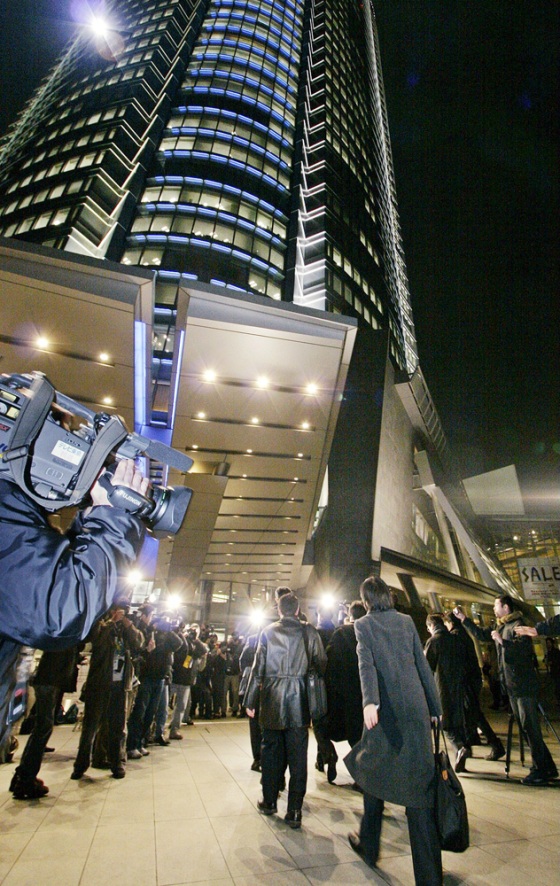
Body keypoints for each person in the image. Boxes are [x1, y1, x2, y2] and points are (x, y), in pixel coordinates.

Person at [0, 458, 148, 770]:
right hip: (64, 681)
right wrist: (114, 518)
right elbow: (64, 612)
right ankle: (47, 772)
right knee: (48, 727)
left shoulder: (12, 512)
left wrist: (90, 519)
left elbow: (53, 583)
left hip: (105, 682)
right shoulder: (7, 509)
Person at [345, 577, 443, 884]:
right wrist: (435, 707)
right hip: (414, 709)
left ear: (367, 600)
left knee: (373, 772)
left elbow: (367, 665)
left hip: (384, 713)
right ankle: (428, 877)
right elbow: (421, 665)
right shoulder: (405, 622)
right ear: (388, 595)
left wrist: (370, 701)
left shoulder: (363, 625)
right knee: (418, 790)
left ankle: (370, 846)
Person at [455, 597, 558, 786]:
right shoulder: (501, 626)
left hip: (523, 686)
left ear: (505, 607)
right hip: (513, 687)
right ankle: (547, 766)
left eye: (496, 605)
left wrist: (503, 642)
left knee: (530, 728)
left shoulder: (517, 626)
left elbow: (521, 652)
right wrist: (464, 619)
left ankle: (541, 769)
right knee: (527, 728)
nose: (494, 609)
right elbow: (482, 634)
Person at [245, 591, 326, 829]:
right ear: (298, 610)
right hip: (299, 701)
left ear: (279, 610)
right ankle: (294, 811)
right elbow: (321, 662)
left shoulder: (268, 632)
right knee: (298, 757)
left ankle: (269, 801)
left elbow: (257, 668)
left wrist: (250, 701)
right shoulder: (309, 631)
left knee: (270, 753)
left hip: (271, 700)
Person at [72, 601, 144, 780]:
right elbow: (94, 640)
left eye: (124, 612)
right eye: (119, 610)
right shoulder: (101, 625)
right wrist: (111, 622)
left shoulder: (126, 630)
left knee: (118, 727)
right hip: (99, 684)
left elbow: (139, 643)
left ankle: (117, 763)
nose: (122, 614)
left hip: (120, 686)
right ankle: (80, 766)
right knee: (90, 728)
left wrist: (129, 625)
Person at [9, 645, 81, 799]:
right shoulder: (65, 632)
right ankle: (25, 780)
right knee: (43, 729)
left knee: (41, 729)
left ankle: (22, 775)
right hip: (49, 680)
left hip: (49, 680)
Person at [443, 611, 505, 761]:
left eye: (446, 623)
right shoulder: (464, 635)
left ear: (450, 623)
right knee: (472, 713)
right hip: (472, 678)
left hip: (466, 681)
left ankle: (495, 745)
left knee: (475, 713)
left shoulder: (455, 636)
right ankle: (474, 743)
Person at [425, 613, 468, 772]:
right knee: (458, 719)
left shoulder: (433, 641)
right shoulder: (454, 639)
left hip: (441, 686)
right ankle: (462, 748)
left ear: (431, 626)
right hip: (458, 684)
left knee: (445, 723)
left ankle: (459, 748)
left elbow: (427, 667)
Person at [324, 600, 366, 750]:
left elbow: (331, 660)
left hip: (347, 689)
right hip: (367, 689)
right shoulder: (370, 632)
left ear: (350, 615)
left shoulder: (341, 633)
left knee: (352, 729)